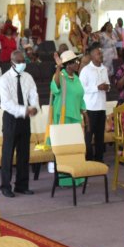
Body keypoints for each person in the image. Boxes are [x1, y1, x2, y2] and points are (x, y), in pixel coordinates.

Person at [0, 50, 40, 198]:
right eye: (20, 62)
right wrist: (24, 110)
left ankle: (22, 185)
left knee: (24, 153)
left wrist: (34, 107)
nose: (23, 64)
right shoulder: (4, 79)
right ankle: (5, 186)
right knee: (8, 153)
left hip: (25, 119)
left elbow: (33, 94)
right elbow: (6, 103)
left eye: (24, 61)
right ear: (12, 62)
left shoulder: (28, 77)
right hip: (11, 118)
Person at [51, 50, 87, 186]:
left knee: (77, 148)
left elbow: (80, 97)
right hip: (63, 117)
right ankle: (65, 180)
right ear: (68, 65)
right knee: (66, 149)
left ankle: (79, 177)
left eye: (77, 62)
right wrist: (58, 68)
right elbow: (55, 88)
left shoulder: (76, 78)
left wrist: (85, 113)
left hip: (76, 117)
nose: (77, 64)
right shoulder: (60, 75)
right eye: (74, 62)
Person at [80, 43, 110, 162]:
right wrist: (97, 87)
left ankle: (99, 159)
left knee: (99, 136)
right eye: (98, 53)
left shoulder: (104, 69)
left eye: (101, 53)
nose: (101, 55)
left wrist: (107, 87)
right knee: (89, 135)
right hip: (90, 107)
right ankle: (88, 159)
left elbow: (108, 84)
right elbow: (82, 89)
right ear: (92, 56)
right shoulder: (86, 70)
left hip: (101, 106)